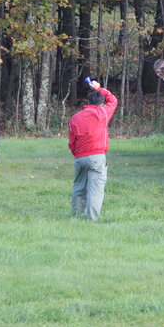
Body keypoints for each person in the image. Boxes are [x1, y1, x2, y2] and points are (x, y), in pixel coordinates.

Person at [68, 79, 118, 221]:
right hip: (97, 156)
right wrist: (99, 88)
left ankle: (76, 216)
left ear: (88, 103)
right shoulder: (102, 113)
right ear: (100, 104)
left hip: (79, 157)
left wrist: (76, 154)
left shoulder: (75, 118)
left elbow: (72, 141)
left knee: (79, 187)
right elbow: (113, 100)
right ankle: (93, 219)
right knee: (95, 190)